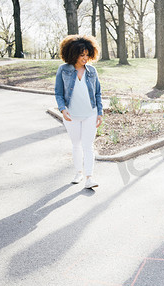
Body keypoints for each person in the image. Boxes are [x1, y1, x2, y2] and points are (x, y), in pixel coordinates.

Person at [55, 35, 103, 189]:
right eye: (81, 55)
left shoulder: (92, 71)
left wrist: (100, 113)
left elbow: (97, 94)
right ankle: (79, 172)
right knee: (76, 144)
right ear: (72, 54)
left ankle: (89, 177)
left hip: (90, 113)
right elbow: (58, 92)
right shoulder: (63, 70)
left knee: (88, 145)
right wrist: (62, 109)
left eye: (87, 54)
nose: (85, 58)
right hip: (71, 115)